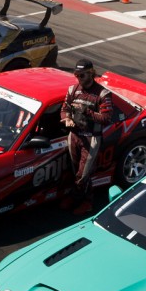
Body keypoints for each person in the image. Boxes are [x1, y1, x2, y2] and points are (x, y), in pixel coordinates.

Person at [60, 59, 114, 214]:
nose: (79, 78)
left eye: (82, 75)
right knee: (74, 170)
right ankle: (78, 198)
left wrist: (87, 112)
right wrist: (67, 119)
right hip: (74, 136)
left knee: (82, 174)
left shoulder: (103, 94)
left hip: (91, 138)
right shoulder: (72, 89)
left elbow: (106, 119)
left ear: (91, 73)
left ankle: (84, 201)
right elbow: (64, 109)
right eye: (76, 75)